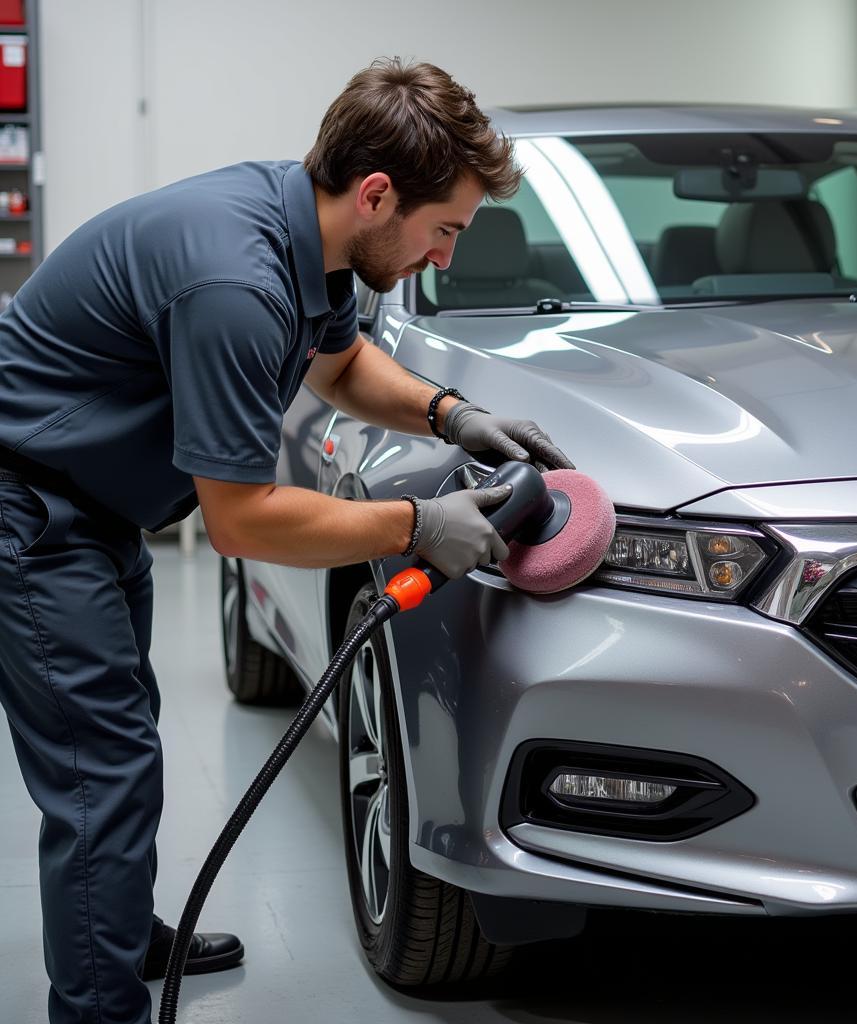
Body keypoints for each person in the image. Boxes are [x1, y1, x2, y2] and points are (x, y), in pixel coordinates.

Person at [0, 57, 572, 1024]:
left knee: (120, 738)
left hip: (92, 506)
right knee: (101, 769)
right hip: (31, 511)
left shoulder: (308, 233)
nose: (443, 258)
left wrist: (450, 413)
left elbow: (341, 367)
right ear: (378, 194)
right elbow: (241, 519)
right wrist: (418, 526)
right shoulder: (239, 279)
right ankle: (97, 1008)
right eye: (444, 231)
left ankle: (116, 936)